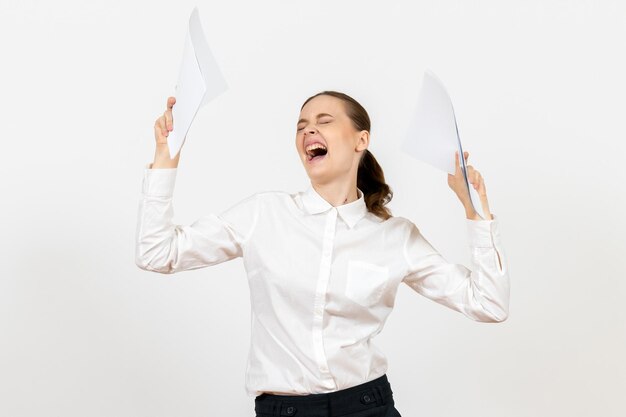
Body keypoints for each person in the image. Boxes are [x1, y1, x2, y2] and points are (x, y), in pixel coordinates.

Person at [135, 91, 510, 417]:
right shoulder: (264, 215)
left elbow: (489, 304)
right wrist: (166, 157)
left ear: (361, 139)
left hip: (368, 406)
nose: (308, 131)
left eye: (323, 121)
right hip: (284, 411)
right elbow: (157, 253)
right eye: (301, 126)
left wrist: (475, 210)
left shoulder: (395, 237)